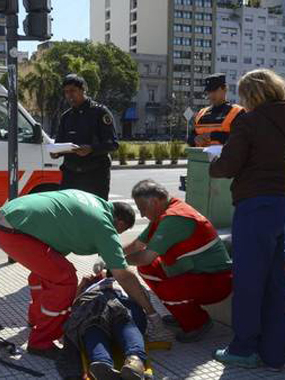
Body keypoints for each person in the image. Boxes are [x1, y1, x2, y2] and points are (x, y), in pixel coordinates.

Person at [0, 189, 161, 359]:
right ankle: (40, 343)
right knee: (64, 279)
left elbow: (63, 233)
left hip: (7, 219)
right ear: (119, 222)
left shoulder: (94, 201)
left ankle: (37, 319)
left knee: (45, 272)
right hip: (15, 231)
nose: (116, 235)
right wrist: (151, 312)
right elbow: (124, 275)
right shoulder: (103, 225)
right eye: (119, 232)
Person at [209, 69, 285, 370]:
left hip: (257, 208)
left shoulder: (250, 121)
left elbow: (228, 165)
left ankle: (243, 349)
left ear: (251, 96)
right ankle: (276, 352)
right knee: (279, 283)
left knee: (250, 281)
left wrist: (215, 161)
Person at [123, 180, 232, 343]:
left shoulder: (175, 218)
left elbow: (146, 256)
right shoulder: (165, 212)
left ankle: (198, 323)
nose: (143, 215)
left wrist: (117, 262)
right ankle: (182, 313)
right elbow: (137, 245)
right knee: (147, 269)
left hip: (216, 281)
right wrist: (107, 254)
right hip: (196, 274)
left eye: (142, 209)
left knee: (169, 289)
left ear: (155, 201)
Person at [57, 265, 148, 380]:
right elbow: (74, 304)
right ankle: (131, 361)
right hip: (97, 307)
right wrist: (82, 285)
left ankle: (103, 361)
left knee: (96, 327)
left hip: (110, 305)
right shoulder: (91, 285)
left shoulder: (122, 282)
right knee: (103, 326)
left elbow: (74, 306)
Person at [52, 74, 119, 200]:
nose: (69, 95)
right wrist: (56, 152)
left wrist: (91, 149)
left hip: (95, 175)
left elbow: (112, 144)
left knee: (95, 214)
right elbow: (59, 143)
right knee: (69, 212)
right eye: (66, 92)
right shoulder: (66, 117)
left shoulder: (100, 112)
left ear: (83, 90)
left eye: (73, 91)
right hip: (71, 175)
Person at [188, 73, 245, 147]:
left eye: (215, 91)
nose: (211, 95)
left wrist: (213, 136)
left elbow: (241, 139)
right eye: (209, 91)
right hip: (202, 157)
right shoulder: (201, 113)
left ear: (225, 89)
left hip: (225, 157)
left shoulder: (237, 112)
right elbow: (190, 138)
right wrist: (195, 139)